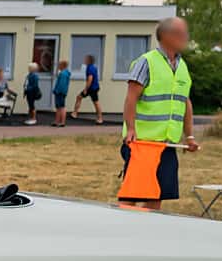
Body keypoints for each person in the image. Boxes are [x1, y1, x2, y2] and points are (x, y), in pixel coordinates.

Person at [118, 16, 198, 210]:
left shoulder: (182, 66)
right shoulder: (146, 62)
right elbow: (131, 98)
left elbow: (184, 102)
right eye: (181, 33)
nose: (186, 37)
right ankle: (122, 230)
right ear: (167, 36)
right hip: (143, 143)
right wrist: (131, 129)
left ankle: (150, 233)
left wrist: (189, 136)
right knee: (133, 194)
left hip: (167, 143)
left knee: (157, 194)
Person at [71, 52, 103, 125]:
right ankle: (75, 113)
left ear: (89, 60)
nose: (84, 60)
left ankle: (100, 118)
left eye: (86, 59)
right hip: (94, 87)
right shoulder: (92, 67)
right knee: (79, 97)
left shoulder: (90, 68)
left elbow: (90, 79)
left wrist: (86, 89)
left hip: (92, 88)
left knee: (96, 103)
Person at [50, 58, 73, 128]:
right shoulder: (65, 73)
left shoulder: (63, 74)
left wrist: (57, 91)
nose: (58, 66)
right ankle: (57, 121)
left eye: (59, 65)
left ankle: (61, 122)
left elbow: (61, 84)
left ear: (62, 65)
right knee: (59, 107)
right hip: (62, 92)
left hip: (60, 92)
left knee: (61, 107)